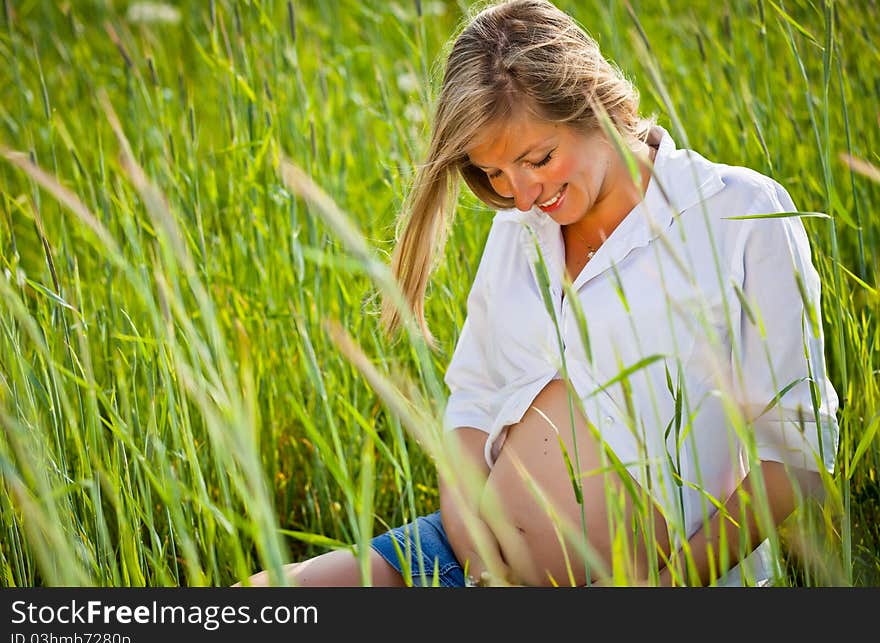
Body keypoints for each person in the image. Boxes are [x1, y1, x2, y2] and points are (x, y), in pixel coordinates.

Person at [236, 0, 839, 587]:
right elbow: (471, 406)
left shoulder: (737, 216)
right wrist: (476, 558)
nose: (522, 198)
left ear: (593, 104)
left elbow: (795, 456)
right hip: (466, 564)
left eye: (538, 159)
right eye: (495, 175)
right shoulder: (519, 232)